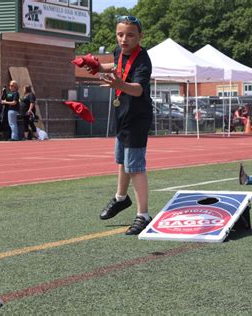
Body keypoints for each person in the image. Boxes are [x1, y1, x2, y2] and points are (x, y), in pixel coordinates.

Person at [86, 15, 153, 235]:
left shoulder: (143, 59)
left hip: (136, 118)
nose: (124, 39)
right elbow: (115, 65)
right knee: (122, 161)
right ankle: (121, 198)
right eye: (120, 34)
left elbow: (138, 89)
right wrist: (97, 66)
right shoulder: (118, 52)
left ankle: (143, 215)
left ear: (140, 36)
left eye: (130, 35)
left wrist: (119, 84)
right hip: (122, 115)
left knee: (135, 167)